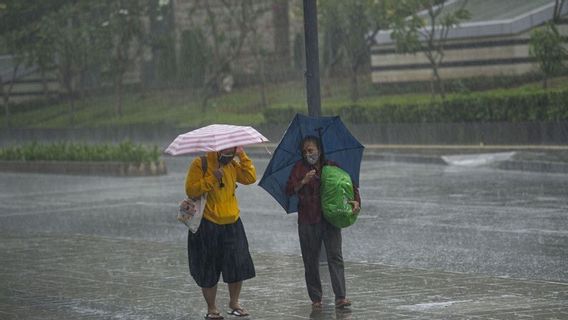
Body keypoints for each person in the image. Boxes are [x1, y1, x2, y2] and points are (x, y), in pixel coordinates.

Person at [286, 136, 361, 309]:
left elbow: (349, 186)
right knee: (310, 260)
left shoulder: (332, 166)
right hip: (308, 220)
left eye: (311, 150)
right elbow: (289, 189)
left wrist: (356, 201)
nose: (308, 154)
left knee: (335, 256)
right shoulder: (299, 168)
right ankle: (316, 298)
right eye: (304, 151)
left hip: (330, 219)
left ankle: (341, 296)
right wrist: (303, 181)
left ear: (319, 149)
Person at [185, 147, 256, 319]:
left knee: (237, 266)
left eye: (232, 150)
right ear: (216, 148)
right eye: (226, 150)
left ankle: (234, 303)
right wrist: (211, 178)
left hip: (233, 222)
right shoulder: (200, 164)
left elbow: (250, 177)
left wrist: (242, 155)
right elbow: (191, 190)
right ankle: (212, 308)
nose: (229, 154)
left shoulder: (232, 165)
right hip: (208, 224)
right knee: (208, 268)